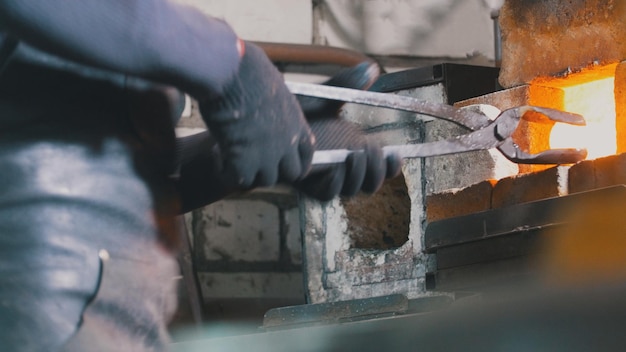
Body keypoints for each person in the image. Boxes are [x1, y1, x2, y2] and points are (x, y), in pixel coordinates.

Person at [0, 1, 401, 351]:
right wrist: (229, 62)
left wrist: (225, 159)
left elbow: (88, 155)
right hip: (46, 303)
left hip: (110, 308)